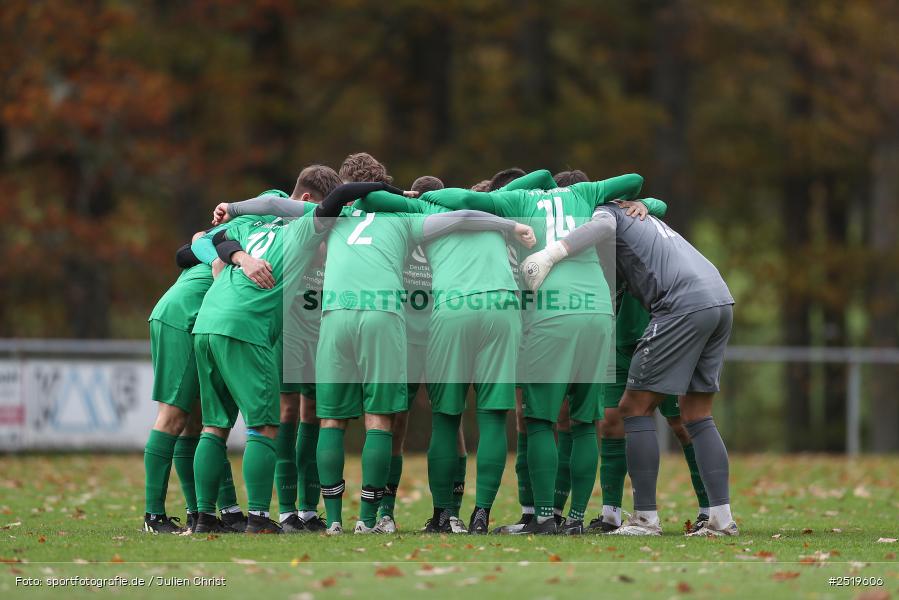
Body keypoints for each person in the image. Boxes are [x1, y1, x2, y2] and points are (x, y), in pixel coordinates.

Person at [421, 172, 644, 534]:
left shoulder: (517, 201)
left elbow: (466, 202)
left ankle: (542, 518)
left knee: (539, 420)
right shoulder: (584, 193)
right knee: (585, 422)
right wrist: (640, 202)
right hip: (599, 311)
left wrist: (423, 195)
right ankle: (575, 520)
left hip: (551, 311)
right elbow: (635, 178)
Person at [522, 201, 736, 536]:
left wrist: (551, 253)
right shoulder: (634, 214)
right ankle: (721, 520)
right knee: (697, 414)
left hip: (681, 304)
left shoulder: (604, 212)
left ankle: (645, 520)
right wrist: (643, 202)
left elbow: (604, 224)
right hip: (719, 298)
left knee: (633, 407)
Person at [355, 184, 537, 534]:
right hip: (503, 306)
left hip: (454, 307)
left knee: (446, 418)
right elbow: (538, 176)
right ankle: (481, 515)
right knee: (493, 418)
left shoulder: (423, 210)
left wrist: (405, 195)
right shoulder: (491, 211)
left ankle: (442, 515)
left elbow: (370, 197)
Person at [188, 166, 352, 534]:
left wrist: (236, 256)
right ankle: (260, 519)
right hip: (247, 327)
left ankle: (203, 518)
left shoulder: (252, 225)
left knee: (213, 427)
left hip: (207, 323)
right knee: (263, 426)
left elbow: (203, 241)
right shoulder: (303, 228)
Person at [143, 230, 246, 534]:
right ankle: (153, 516)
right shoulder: (253, 233)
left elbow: (187, 249)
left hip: (187, 316)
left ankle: (198, 513)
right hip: (183, 317)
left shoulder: (240, 235)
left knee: (196, 420)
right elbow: (193, 246)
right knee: (173, 416)